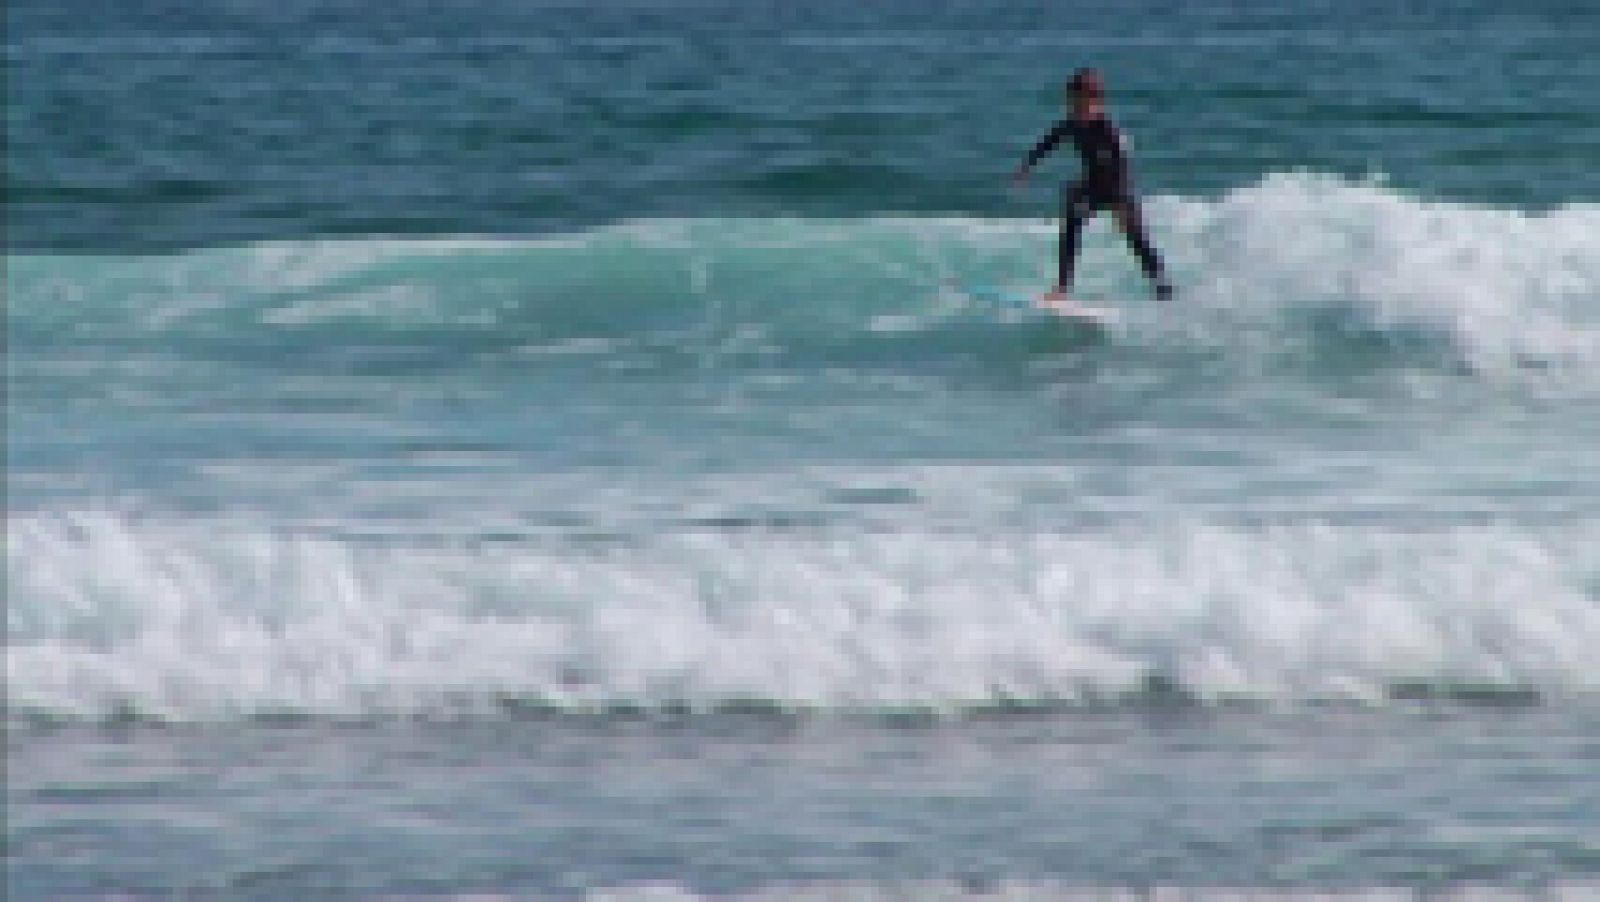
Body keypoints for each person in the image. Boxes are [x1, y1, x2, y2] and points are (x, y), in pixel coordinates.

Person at [1011, 68, 1173, 304]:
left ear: (1098, 102)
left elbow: (1123, 164)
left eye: (1084, 103)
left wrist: (1121, 204)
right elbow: (1049, 142)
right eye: (1073, 103)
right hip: (1093, 186)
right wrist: (1027, 166)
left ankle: (1162, 286)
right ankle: (1062, 288)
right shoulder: (1072, 124)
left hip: (1118, 187)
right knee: (1070, 221)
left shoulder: (1108, 130)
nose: (1078, 109)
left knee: (1136, 238)